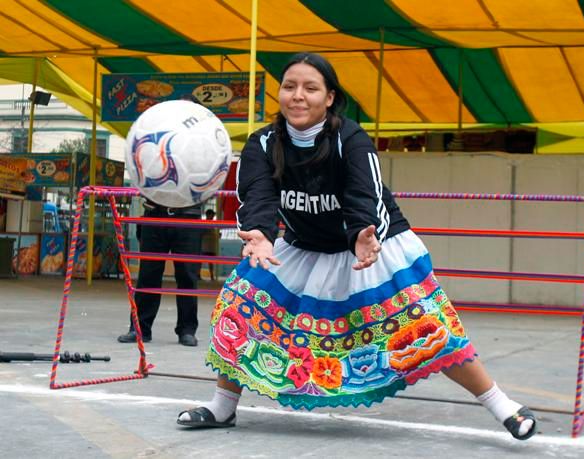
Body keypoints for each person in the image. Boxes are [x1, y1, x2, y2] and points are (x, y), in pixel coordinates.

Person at [177, 53, 536, 440]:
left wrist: (362, 233)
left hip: (371, 248)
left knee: (425, 329)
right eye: (290, 87)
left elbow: (364, 196)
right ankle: (223, 406)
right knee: (241, 307)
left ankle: (502, 406)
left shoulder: (351, 139)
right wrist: (260, 234)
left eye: (310, 88)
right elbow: (257, 196)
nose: (298, 96)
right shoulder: (262, 143)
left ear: (329, 97)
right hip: (303, 248)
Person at [117, 198, 202, 346]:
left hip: (188, 215)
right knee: (148, 274)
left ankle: (187, 330)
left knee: (188, 275)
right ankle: (140, 328)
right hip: (154, 212)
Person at [201, 209, 218, 281]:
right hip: (205, 246)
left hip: (210, 246)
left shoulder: (212, 224)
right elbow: (203, 233)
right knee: (200, 261)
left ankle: (211, 276)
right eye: (212, 215)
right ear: (208, 215)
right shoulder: (204, 224)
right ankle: (198, 275)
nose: (213, 216)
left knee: (210, 262)